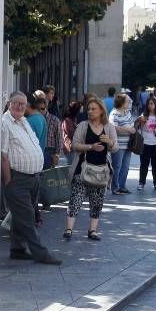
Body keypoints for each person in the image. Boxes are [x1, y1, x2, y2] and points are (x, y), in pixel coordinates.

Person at [1, 91, 62, 265]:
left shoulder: (24, 121)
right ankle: (40, 253)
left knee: (20, 216)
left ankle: (17, 249)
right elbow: (2, 155)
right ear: (9, 103)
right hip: (17, 179)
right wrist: (8, 180)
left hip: (33, 177)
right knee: (27, 218)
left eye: (23, 103)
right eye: (16, 103)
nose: (20, 106)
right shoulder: (5, 123)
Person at [63, 97, 118, 241]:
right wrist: (90, 147)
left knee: (97, 201)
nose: (90, 111)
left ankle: (92, 231)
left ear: (101, 111)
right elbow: (75, 145)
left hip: (100, 171)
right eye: (89, 109)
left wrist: (110, 142)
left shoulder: (109, 127)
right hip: (82, 169)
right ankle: (69, 229)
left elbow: (115, 148)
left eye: (94, 109)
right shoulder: (83, 125)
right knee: (75, 199)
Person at [135, 97, 156, 192]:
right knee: (144, 164)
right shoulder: (143, 115)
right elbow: (137, 128)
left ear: (155, 105)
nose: (150, 105)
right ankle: (141, 183)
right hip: (145, 143)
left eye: (152, 103)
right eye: (149, 104)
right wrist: (141, 122)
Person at [108, 94, 136, 195]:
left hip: (128, 144)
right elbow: (113, 128)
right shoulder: (114, 113)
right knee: (117, 166)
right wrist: (128, 129)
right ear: (122, 102)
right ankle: (115, 187)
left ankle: (122, 186)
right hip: (118, 145)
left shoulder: (128, 112)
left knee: (126, 167)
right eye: (127, 101)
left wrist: (132, 128)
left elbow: (132, 124)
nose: (129, 103)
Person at [61, 101, 83, 166]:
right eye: (80, 110)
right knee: (71, 167)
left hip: (74, 148)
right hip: (70, 148)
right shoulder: (67, 121)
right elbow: (71, 134)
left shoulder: (73, 119)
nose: (81, 112)